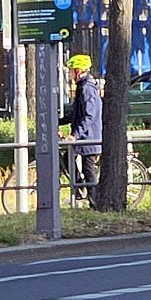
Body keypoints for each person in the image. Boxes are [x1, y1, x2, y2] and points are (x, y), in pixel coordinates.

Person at [60, 53, 103, 204]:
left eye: (71, 70)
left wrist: (74, 135)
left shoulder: (87, 89)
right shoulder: (82, 87)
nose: (70, 74)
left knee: (88, 169)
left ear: (78, 71)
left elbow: (88, 116)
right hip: (85, 136)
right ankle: (81, 189)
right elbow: (76, 113)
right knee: (68, 158)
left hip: (89, 137)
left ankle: (94, 201)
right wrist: (58, 122)